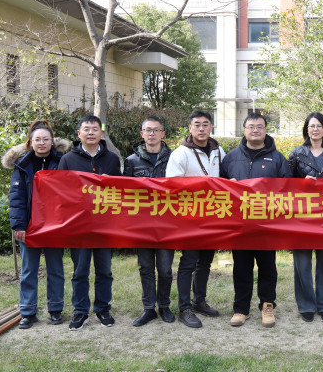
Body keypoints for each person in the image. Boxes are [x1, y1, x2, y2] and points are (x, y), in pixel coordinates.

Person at [220, 112, 291, 328]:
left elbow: (288, 189)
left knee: (268, 268)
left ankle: (267, 306)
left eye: (260, 126)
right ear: (244, 130)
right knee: (241, 268)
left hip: (267, 225)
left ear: (265, 130)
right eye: (251, 126)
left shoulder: (277, 158)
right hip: (239, 224)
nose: (255, 130)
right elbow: (219, 188)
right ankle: (241, 309)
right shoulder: (231, 158)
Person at [57, 115, 122, 331]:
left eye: (95, 129)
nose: (91, 132)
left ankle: (103, 308)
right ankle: (80, 311)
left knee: (105, 270)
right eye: (86, 129)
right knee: (80, 271)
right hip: (79, 225)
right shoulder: (68, 160)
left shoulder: (111, 159)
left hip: (104, 225)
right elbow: (60, 192)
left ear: (101, 133)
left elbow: (121, 190)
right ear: (79, 133)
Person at [4, 120, 70, 329]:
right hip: (29, 226)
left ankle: (55, 310)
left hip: (54, 226)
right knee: (29, 270)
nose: (41, 143)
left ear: (52, 141)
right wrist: (18, 225)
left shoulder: (62, 162)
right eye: (37, 139)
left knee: (55, 269)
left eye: (45, 139)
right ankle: (27, 312)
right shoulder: (22, 165)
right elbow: (16, 198)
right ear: (30, 142)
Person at [165, 110, 226, 328]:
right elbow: (172, 185)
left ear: (211, 127)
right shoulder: (180, 153)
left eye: (205, 124)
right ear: (190, 128)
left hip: (212, 215)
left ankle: (199, 300)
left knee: (205, 262)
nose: (201, 128)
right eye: (197, 124)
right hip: (189, 217)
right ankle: (185, 308)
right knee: (188, 262)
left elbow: (225, 179)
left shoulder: (219, 151)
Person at [287, 113, 323, 322]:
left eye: (319, 126)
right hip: (302, 215)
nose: (315, 129)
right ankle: (306, 305)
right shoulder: (297, 153)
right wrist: (301, 182)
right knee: (302, 262)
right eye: (312, 126)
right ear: (306, 129)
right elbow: (285, 183)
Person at [123, 116, 176, 327]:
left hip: (167, 223)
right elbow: (124, 194)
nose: (151, 134)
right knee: (145, 267)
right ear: (142, 134)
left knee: (165, 269)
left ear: (163, 134)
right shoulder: (131, 161)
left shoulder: (174, 158)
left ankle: (164, 306)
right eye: (148, 130)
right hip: (142, 224)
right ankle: (148, 308)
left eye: (156, 130)